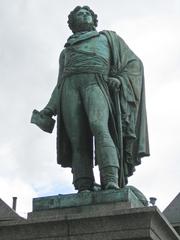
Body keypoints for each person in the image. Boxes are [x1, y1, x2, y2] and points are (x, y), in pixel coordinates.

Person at [35, 6, 150, 192]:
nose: (84, 15)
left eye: (87, 13)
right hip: (69, 88)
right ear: (72, 23)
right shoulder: (65, 52)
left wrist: (119, 80)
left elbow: (134, 63)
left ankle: (110, 179)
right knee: (77, 138)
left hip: (96, 82)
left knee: (99, 126)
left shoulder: (107, 39)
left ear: (94, 20)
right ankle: (83, 184)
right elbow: (60, 84)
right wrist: (49, 109)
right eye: (79, 14)